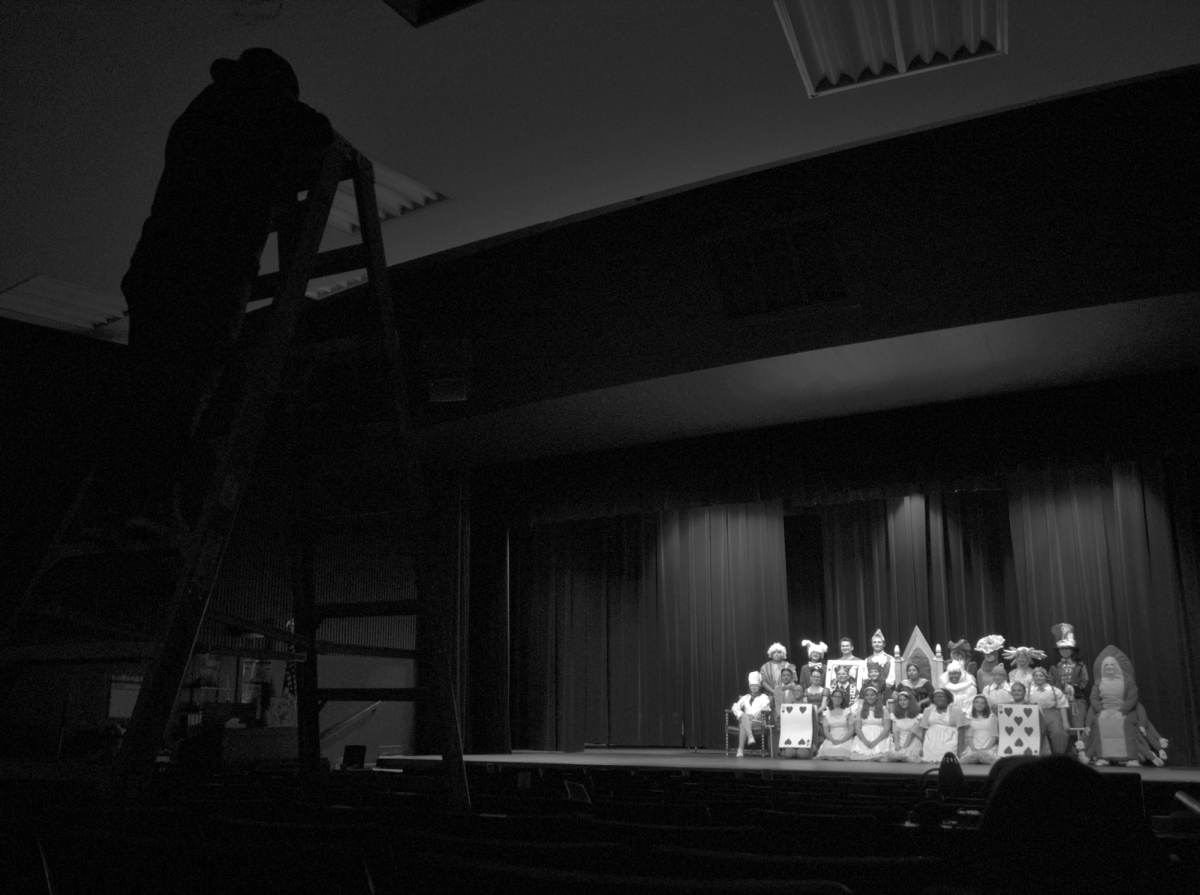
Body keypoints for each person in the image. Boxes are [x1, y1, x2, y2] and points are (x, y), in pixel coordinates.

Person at [117, 48, 335, 543]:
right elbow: (317, 134)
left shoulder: (203, 113)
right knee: (186, 389)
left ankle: (134, 500)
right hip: (204, 271)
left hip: (158, 267)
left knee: (154, 391)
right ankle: (155, 504)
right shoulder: (254, 105)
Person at [1049, 623, 1090, 730]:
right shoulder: (1054, 666)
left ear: (1073, 650)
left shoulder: (1080, 665)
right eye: (1062, 649)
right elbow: (1050, 683)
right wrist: (1058, 692)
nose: (1065, 651)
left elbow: (1084, 681)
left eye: (1067, 648)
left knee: (1077, 727)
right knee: (1062, 727)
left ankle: (1079, 746)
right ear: (1058, 650)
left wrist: (1075, 687)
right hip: (1059, 701)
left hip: (1077, 701)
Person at [1027, 667, 1070, 755]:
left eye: (1041, 676)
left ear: (1046, 677)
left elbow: (1062, 706)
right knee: (1033, 733)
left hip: (1052, 714)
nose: (1038, 677)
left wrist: (1065, 722)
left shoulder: (1054, 690)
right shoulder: (1027, 691)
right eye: (1036, 676)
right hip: (1033, 715)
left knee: (1058, 733)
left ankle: (1058, 756)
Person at [920, 688, 967, 763]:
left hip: (950, 742)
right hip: (930, 743)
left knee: (948, 764)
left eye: (942, 696)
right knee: (929, 764)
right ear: (933, 699)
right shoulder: (927, 710)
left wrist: (960, 750)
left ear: (947, 698)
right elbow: (924, 729)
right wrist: (922, 748)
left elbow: (961, 730)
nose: (939, 698)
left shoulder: (956, 710)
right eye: (936, 696)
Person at [731, 671, 771, 757]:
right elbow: (735, 707)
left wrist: (754, 714)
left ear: (759, 687)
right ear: (750, 686)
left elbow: (766, 708)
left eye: (756, 686)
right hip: (747, 719)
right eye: (752, 685)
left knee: (743, 725)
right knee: (744, 720)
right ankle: (750, 736)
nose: (754, 687)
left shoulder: (764, 697)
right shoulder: (745, 697)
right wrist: (741, 713)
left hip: (758, 720)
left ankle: (740, 749)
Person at [850, 684, 892, 761]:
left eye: (872, 695)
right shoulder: (860, 710)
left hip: (880, 737)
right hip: (864, 737)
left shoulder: (884, 710)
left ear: (877, 696)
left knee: (880, 758)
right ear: (865, 697)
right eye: (867, 695)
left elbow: (887, 728)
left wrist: (876, 741)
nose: (870, 697)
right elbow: (857, 728)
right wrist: (864, 741)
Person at [815, 688, 856, 759]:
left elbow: (851, 730)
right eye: (835, 696)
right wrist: (832, 740)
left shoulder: (848, 711)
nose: (837, 699)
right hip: (832, 738)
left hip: (846, 737)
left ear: (842, 699)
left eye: (839, 697)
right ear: (831, 697)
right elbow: (826, 731)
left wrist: (842, 740)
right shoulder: (826, 713)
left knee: (842, 752)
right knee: (828, 751)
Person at [886, 691, 924, 762]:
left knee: (908, 758)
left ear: (910, 701)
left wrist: (904, 749)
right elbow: (895, 731)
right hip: (899, 741)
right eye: (900, 700)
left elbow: (912, 733)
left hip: (912, 742)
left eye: (905, 699)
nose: (902, 702)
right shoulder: (895, 716)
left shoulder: (918, 717)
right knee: (894, 757)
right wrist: (897, 746)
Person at [772, 666, 802, 757]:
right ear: (781, 676)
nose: (786, 677)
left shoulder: (797, 688)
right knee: (776, 722)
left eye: (788, 675)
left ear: (791, 677)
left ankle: (791, 747)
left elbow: (798, 702)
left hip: (793, 715)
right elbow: (777, 704)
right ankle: (778, 749)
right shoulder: (777, 689)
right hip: (780, 715)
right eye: (784, 675)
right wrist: (781, 714)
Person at [960, 695, 999, 765]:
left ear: (985, 705)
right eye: (977, 702)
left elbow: (994, 736)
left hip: (988, 744)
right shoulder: (970, 719)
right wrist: (972, 748)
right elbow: (970, 736)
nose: (979, 704)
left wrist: (987, 748)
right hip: (974, 744)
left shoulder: (992, 718)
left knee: (986, 757)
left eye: (982, 703)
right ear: (974, 704)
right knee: (967, 759)